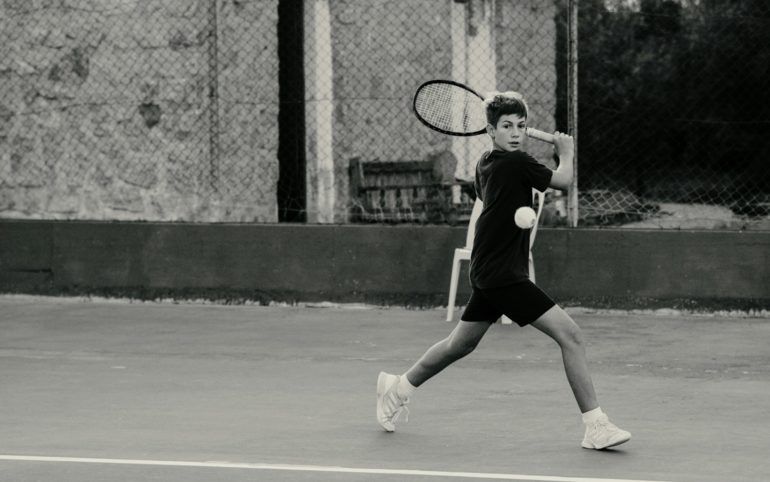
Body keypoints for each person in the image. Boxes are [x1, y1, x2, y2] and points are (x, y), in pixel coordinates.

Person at [376, 91, 631, 450]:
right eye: (506, 126)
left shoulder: (486, 162)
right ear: (491, 131)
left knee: (459, 345)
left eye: (521, 126)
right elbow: (563, 181)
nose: (515, 132)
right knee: (571, 336)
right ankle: (596, 426)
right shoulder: (515, 163)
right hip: (503, 275)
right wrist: (567, 151)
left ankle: (397, 387)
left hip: (488, 268)